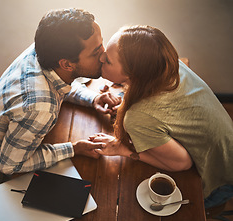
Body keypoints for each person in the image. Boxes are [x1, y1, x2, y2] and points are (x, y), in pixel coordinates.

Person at [0, 9, 121, 188]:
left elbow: (56, 83)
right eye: (95, 52)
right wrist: (73, 148)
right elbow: (10, 166)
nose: (104, 55)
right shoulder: (39, 108)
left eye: (101, 45)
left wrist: (92, 99)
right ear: (67, 64)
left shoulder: (42, 51)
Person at [89, 25, 233, 208]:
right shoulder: (168, 66)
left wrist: (124, 150)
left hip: (220, 177)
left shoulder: (137, 118)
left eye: (108, 61)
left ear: (132, 74)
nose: (101, 57)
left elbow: (182, 163)